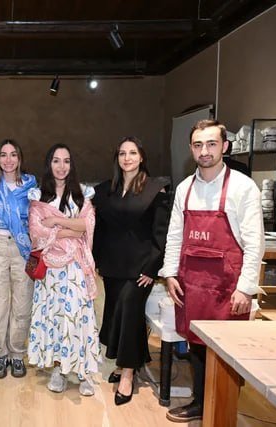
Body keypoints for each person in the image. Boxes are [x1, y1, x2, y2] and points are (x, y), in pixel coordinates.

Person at [159, 119, 264, 422]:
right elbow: (174, 236)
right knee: (196, 344)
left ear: (224, 146)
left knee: (227, 348)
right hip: (192, 283)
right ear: (191, 149)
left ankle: (223, 407)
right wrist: (170, 273)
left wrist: (245, 288)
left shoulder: (243, 187)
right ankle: (201, 403)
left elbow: (255, 243)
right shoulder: (185, 189)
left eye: (211, 144)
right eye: (198, 145)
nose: (204, 151)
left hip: (228, 286)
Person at [93, 137, 171, 406]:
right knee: (117, 313)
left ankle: (127, 373)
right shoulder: (106, 190)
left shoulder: (155, 188)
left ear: (141, 157)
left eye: (133, 153)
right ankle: (125, 362)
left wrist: (152, 267)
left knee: (129, 309)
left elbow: (161, 233)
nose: (127, 158)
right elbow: (100, 228)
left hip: (141, 268)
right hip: (112, 265)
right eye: (122, 153)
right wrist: (97, 260)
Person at [27, 143, 100, 396]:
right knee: (55, 317)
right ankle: (58, 368)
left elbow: (87, 225)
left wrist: (57, 221)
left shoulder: (81, 195)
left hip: (76, 267)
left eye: (66, 161)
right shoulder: (39, 197)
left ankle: (83, 371)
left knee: (78, 317)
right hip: (51, 270)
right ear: (49, 164)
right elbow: (37, 231)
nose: (61, 166)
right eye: (56, 160)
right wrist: (71, 229)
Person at [0, 139, 37, 379]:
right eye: (3, 155)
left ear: (19, 158)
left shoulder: (31, 185)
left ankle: (17, 354)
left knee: (22, 302)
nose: (8, 160)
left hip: (22, 248)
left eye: (13, 154)